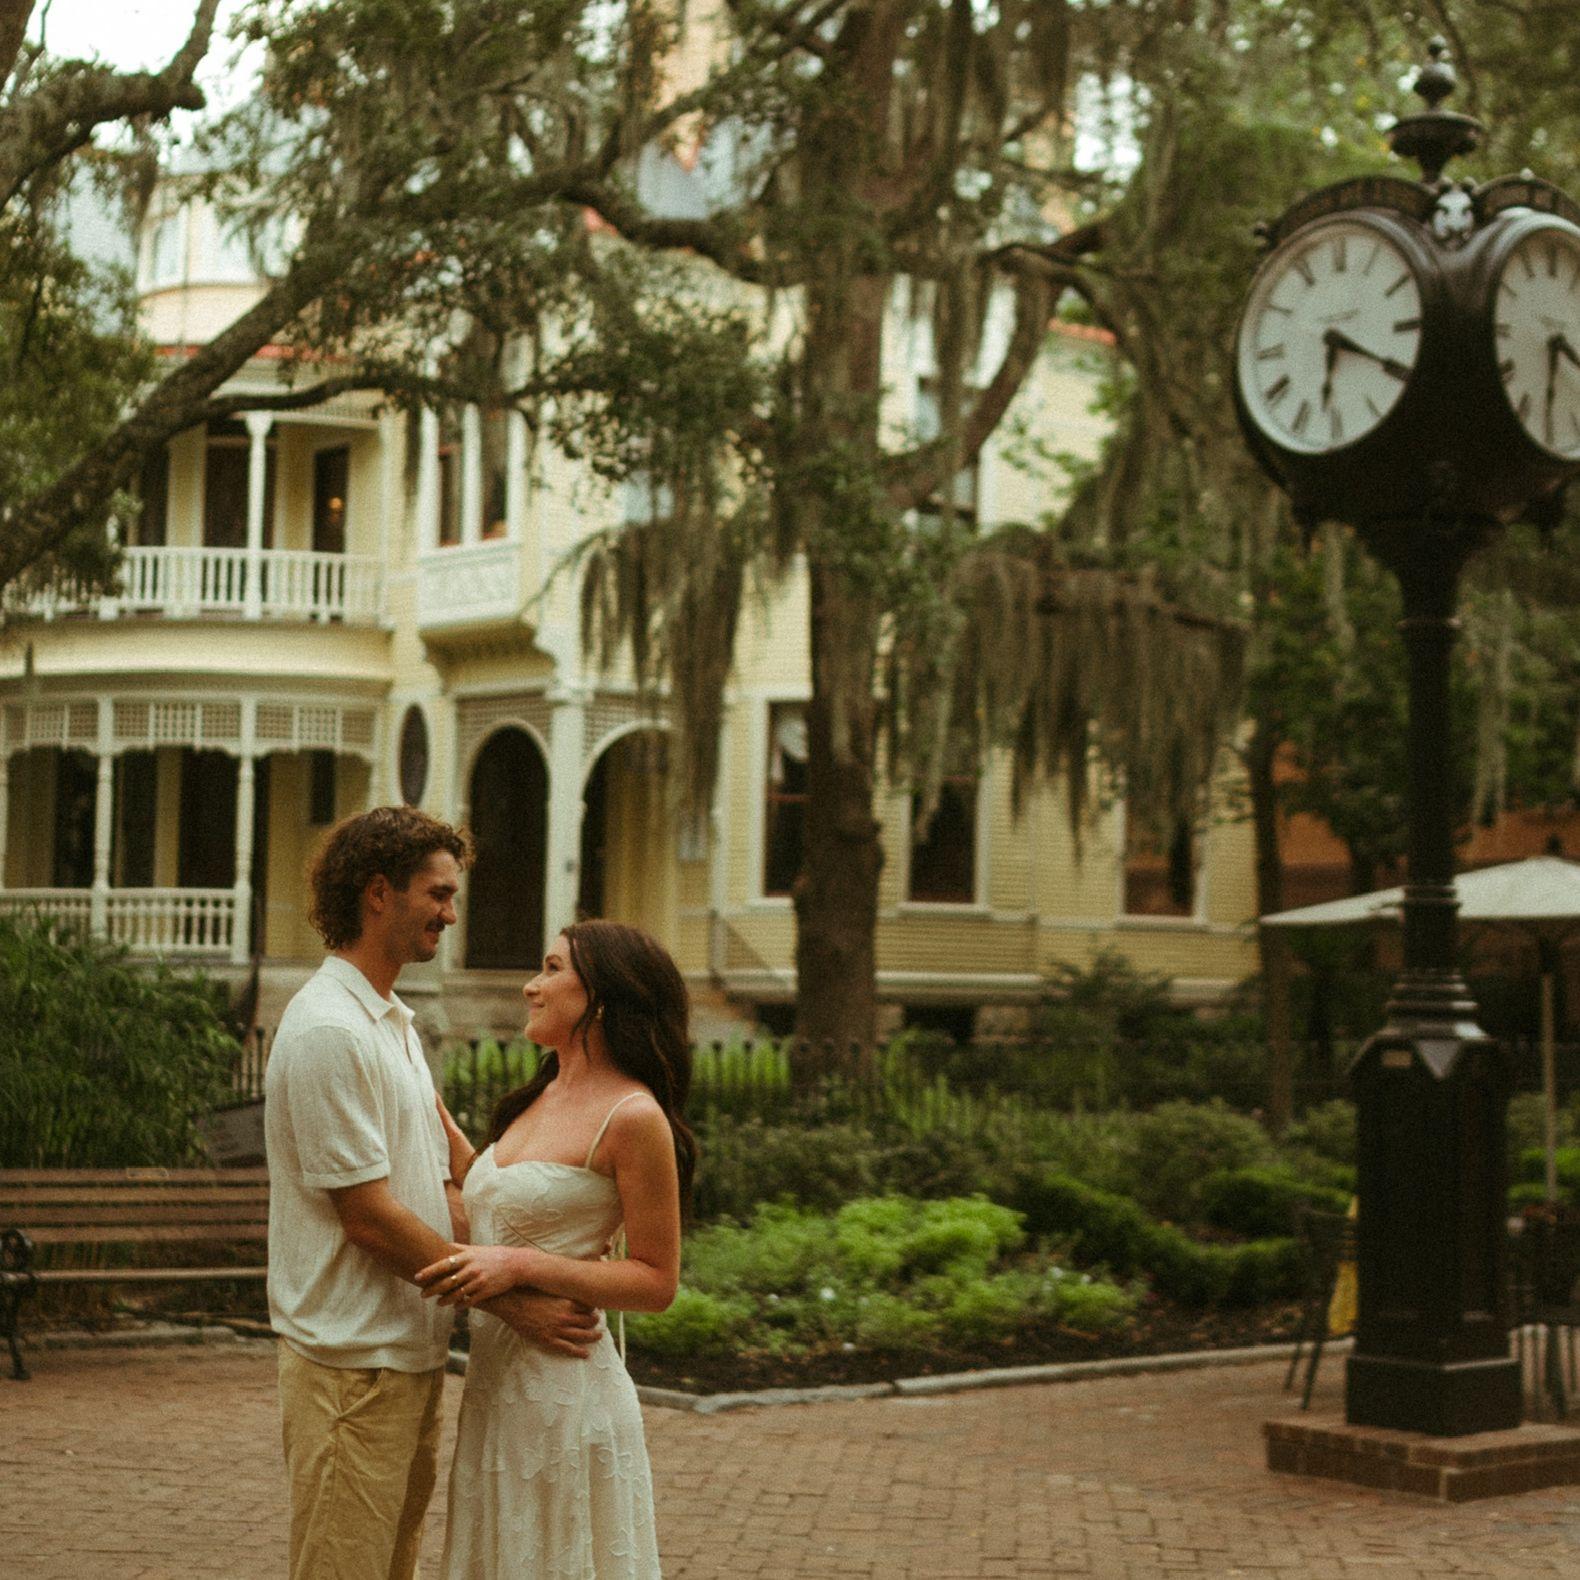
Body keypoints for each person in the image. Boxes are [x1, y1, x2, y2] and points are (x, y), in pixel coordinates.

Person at [264, 807, 602, 1580]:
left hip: (401, 1357)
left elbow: (446, 1177)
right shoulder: (330, 1030)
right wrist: (514, 1303)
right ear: (378, 893)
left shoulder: (389, 1024)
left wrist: (553, 1234)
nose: (451, 914)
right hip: (350, 1365)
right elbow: (370, 1219)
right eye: (438, 894)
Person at [417, 919, 696, 1580]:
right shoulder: (539, 1094)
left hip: (569, 1397)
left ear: (600, 996)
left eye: (551, 969)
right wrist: (435, 1123)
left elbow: (656, 1280)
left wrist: (520, 1266)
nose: (530, 986)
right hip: (494, 1392)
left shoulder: (633, 1116)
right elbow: (505, 1207)